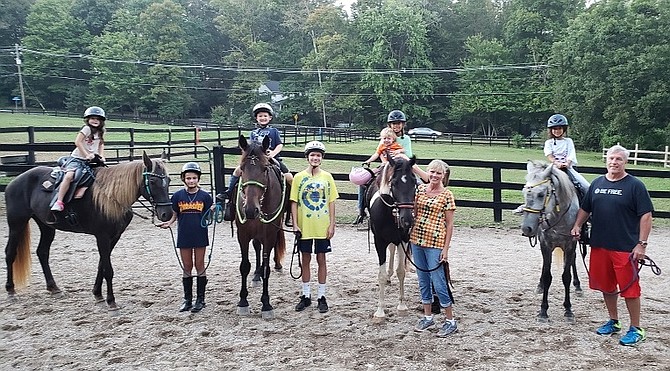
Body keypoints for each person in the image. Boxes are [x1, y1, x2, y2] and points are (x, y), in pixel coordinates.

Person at [570, 145, 653, 346]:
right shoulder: (597, 184)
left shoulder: (635, 186)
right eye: (611, 158)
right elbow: (585, 208)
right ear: (606, 160)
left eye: (618, 159)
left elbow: (646, 215)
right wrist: (577, 225)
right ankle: (614, 321)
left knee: (630, 289)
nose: (614, 162)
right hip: (599, 245)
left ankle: (636, 328)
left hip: (625, 247)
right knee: (607, 287)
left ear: (625, 162)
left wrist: (641, 244)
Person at [220, 103, 293, 221]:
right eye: (260, 116)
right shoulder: (253, 133)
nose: (263, 118)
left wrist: (272, 154)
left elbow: (279, 145)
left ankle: (290, 204)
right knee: (237, 171)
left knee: (289, 177)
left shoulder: (274, 131)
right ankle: (229, 193)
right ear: (256, 118)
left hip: (272, 158)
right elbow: (249, 148)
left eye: (265, 116)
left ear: (270, 118)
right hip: (256, 160)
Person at [290, 141, 339, 313]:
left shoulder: (327, 177)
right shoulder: (298, 177)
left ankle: (321, 296)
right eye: (312, 155)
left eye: (318, 155)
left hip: (322, 226)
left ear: (322, 158)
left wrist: (332, 224)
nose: (315, 158)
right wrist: (295, 223)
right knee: (305, 260)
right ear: (307, 157)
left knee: (321, 259)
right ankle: (305, 295)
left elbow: (331, 202)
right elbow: (294, 202)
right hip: (304, 226)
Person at [411, 159, 458, 337]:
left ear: (444, 176)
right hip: (416, 240)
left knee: (438, 282)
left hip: (435, 243)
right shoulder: (420, 190)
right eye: (432, 172)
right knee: (423, 281)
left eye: (438, 173)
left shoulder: (447, 195)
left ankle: (450, 320)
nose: (434, 176)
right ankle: (428, 317)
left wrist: (445, 249)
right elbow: (414, 211)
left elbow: (450, 224)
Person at [160, 162, 214, 313]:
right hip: (184, 234)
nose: (191, 181)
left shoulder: (205, 196)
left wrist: (213, 210)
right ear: (183, 179)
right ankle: (187, 299)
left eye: (194, 178)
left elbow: (209, 215)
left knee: (200, 265)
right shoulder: (177, 196)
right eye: (188, 178)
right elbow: (175, 214)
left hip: (200, 234)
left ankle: (200, 299)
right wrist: (169, 223)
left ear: (198, 179)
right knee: (187, 266)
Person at [513, 113, 590, 215]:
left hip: (568, 168)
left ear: (564, 129)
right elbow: (549, 156)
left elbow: (571, 154)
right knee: (536, 184)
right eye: (554, 129)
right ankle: (526, 206)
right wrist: (556, 163)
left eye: (559, 128)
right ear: (551, 130)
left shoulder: (568, 141)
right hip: (554, 168)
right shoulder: (549, 143)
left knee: (585, 186)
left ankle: (587, 211)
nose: (557, 131)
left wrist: (567, 163)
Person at [354, 109, 413, 225]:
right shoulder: (384, 138)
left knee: (416, 182)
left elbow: (409, 155)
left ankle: (416, 211)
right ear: (390, 125)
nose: (396, 126)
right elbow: (379, 153)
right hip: (386, 165)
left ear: (403, 124)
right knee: (363, 181)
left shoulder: (405, 139)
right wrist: (376, 162)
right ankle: (361, 211)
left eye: (399, 123)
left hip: (402, 166)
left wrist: (399, 154)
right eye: (394, 123)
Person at [51, 106, 106, 211]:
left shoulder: (100, 131)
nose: (95, 121)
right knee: (69, 176)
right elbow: (78, 142)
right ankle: (59, 201)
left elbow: (101, 144)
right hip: (77, 159)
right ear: (88, 119)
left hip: (92, 160)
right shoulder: (86, 129)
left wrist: (101, 155)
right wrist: (86, 155)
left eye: (97, 119)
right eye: (93, 118)